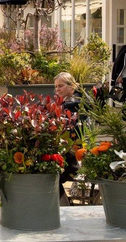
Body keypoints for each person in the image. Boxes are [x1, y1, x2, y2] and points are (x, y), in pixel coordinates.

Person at [54, 72, 82, 204]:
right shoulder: (65, 103)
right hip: (66, 156)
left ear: (71, 86)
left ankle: (63, 207)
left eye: (61, 86)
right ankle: (64, 205)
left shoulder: (74, 103)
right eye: (56, 87)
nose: (57, 89)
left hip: (73, 161)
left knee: (50, 176)